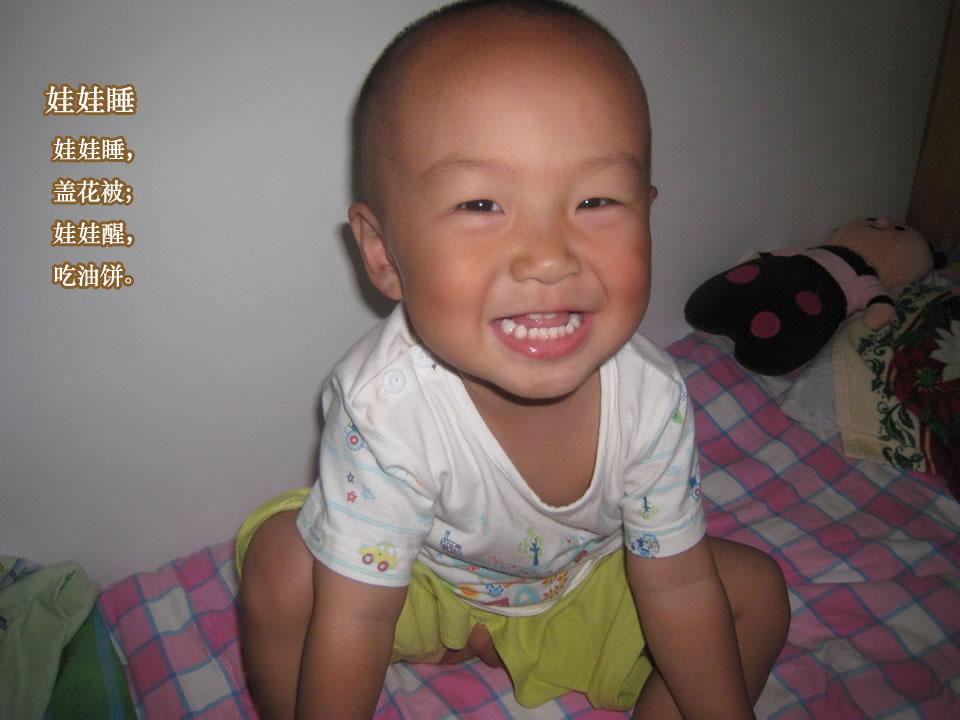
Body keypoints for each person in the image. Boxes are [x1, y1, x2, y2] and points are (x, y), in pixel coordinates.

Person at [237, 1, 791, 718]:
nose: (548, 258)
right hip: (417, 584)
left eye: (596, 200)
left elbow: (676, 584)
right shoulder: (384, 406)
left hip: (580, 589)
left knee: (755, 596)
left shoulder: (650, 398)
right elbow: (358, 614)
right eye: (480, 205)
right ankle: (445, 643)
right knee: (283, 565)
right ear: (384, 254)